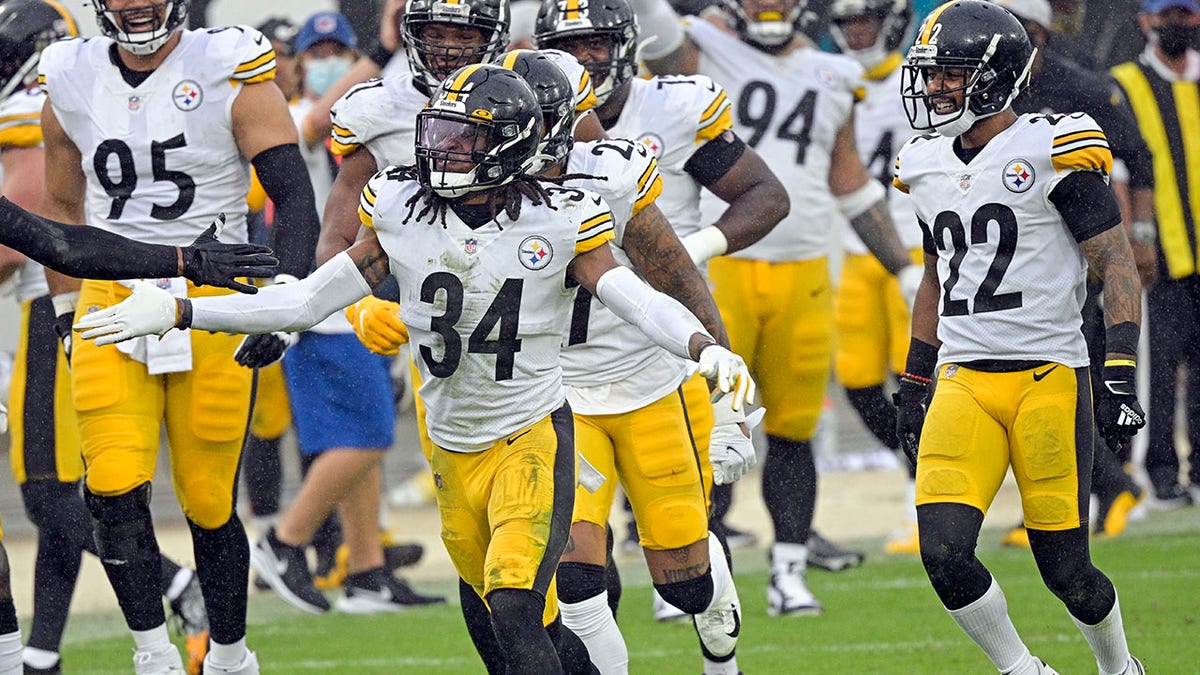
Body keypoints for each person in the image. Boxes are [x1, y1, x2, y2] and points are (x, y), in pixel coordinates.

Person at [74, 63, 757, 675]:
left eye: (466, 139)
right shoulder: (402, 209)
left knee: (518, 604)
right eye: (443, 134)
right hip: (454, 449)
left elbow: (630, 293)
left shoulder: (560, 219)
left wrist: (703, 345)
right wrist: (183, 314)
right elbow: (307, 298)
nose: (444, 151)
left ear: (513, 145)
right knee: (500, 620)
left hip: (531, 438)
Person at [37, 0, 321, 671]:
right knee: (110, 482)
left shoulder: (227, 63)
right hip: (112, 289)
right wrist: (66, 309)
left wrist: (284, 299)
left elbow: (293, 192)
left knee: (207, 497)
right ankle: (152, 652)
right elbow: (62, 205)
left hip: (215, 293)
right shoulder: (69, 71)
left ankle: (228, 655)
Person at [620, 0, 921, 615]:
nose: (769, 7)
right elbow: (652, 33)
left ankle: (789, 571)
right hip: (720, 263)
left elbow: (851, 185)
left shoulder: (832, 74)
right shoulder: (702, 46)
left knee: (792, 426)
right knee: (701, 424)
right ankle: (686, 576)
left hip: (806, 266)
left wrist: (904, 267)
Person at [892, 2, 1145, 673]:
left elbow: (1115, 263)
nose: (935, 87)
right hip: (964, 378)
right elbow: (935, 277)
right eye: (932, 73)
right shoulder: (922, 161)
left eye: (950, 73)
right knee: (942, 551)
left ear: (997, 75)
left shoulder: (1051, 145)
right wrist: (915, 379)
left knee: (1069, 573)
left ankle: (1120, 665)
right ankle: (1022, 667)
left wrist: (1118, 370)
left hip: (1048, 376)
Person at [249, 10, 444, 615]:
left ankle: (366, 570)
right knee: (366, 434)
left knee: (367, 436)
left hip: (357, 288)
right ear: (300, 60)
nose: (329, 58)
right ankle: (284, 542)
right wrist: (381, 54)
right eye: (318, 50)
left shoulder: (375, 106)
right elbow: (318, 126)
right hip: (320, 290)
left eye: (340, 48)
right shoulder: (294, 110)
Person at [991, 0, 1155, 545]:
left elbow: (1136, 155)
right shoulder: (990, 91)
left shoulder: (1082, 85)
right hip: (1013, 254)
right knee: (1033, 379)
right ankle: (1079, 495)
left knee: (1060, 375)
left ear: (1034, 33)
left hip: (1075, 249)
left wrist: (1141, 237)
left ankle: (1104, 486)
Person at [826, 0, 924, 555]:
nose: (858, 32)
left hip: (910, 245)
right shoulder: (831, 81)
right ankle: (917, 468)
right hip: (852, 248)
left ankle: (924, 495)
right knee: (859, 382)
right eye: (848, 23)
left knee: (911, 378)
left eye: (866, 19)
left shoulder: (918, 79)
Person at [1110, 0, 1200, 509]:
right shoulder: (1123, 83)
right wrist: (1133, 238)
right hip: (1160, 253)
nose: (1176, 25)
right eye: (1167, 14)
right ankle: (1160, 475)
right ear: (1144, 20)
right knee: (1158, 370)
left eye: (1186, 15)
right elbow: (1118, 166)